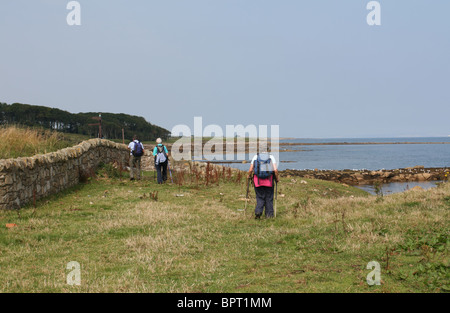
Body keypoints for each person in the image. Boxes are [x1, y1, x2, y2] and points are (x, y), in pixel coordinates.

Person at [247, 149, 280, 219]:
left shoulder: (256, 157)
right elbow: (275, 170)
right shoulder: (271, 157)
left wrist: (248, 176)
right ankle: (269, 215)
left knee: (259, 197)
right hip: (269, 181)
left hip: (258, 181)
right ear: (268, 150)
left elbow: (250, 169)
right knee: (269, 197)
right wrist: (277, 178)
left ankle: (258, 212)